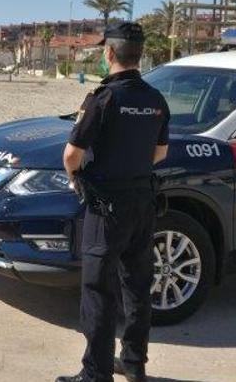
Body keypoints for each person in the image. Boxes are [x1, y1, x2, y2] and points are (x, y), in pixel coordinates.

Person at [57, 22, 169, 382]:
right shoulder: (155, 99)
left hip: (107, 208)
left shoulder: (103, 98)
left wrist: (77, 179)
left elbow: (71, 155)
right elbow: (161, 152)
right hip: (142, 202)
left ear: (109, 54)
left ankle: (96, 373)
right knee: (137, 286)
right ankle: (134, 364)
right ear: (140, 55)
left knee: (98, 291)